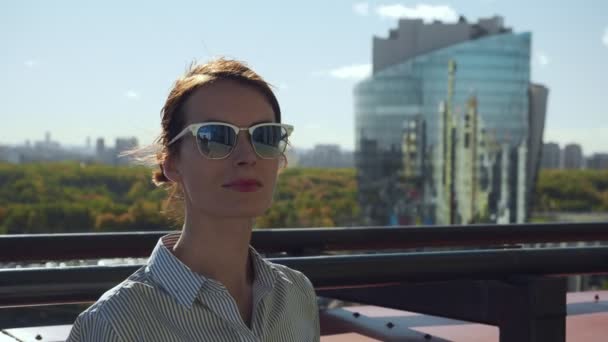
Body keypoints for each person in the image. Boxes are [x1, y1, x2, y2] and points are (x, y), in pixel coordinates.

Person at [67, 58, 320, 341]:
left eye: (265, 136)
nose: (248, 157)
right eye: (216, 136)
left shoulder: (297, 295)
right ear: (172, 163)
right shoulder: (115, 324)